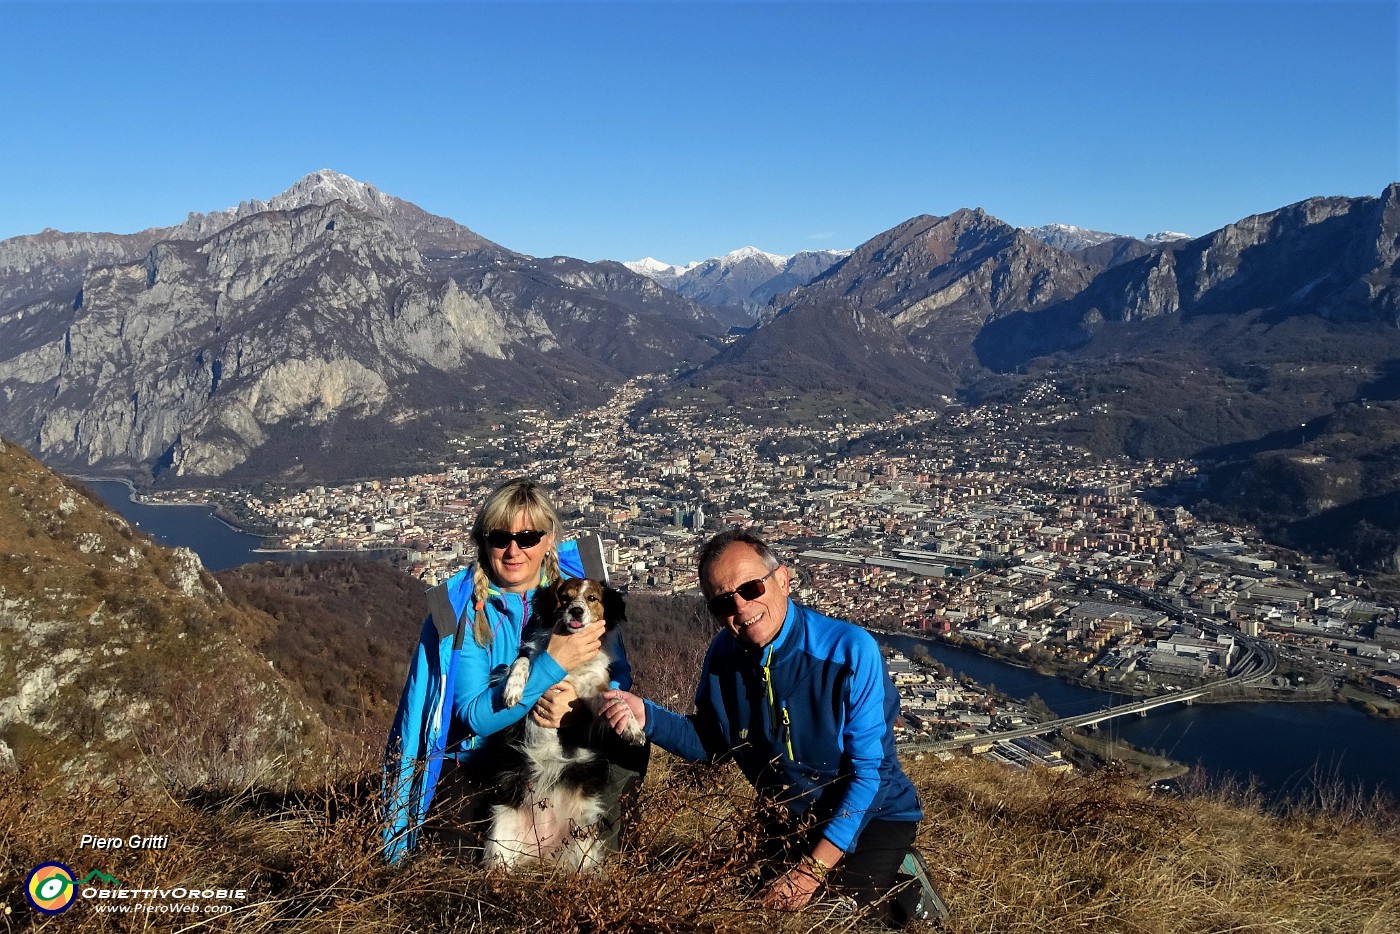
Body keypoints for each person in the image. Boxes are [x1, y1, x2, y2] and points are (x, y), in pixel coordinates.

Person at [602, 527, 933, 925]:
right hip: (786, 818)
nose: (740, 607)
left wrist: (810, 871)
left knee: (830, 920)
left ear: (782, 580)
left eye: (751, 588)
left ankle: (908, 892)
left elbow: (868, 775)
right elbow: (714, 742)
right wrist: (648, 717)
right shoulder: (723, 657)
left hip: (873, 813)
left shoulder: (847, 651)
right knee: (748, 912)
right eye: (723, 602)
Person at [382, 478, 644, 862]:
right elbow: (475, 715)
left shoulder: (578, 595)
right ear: (482, 541)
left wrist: (573, 707)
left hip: (572, 755)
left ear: (549, 540)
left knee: (633, 736)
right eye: (499, 536)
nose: (513, 549)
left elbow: (617, 674)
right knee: (454, 876)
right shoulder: (461, 612)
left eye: (528, 537)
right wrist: (553, 666)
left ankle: (614, 873)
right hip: (482, 759)